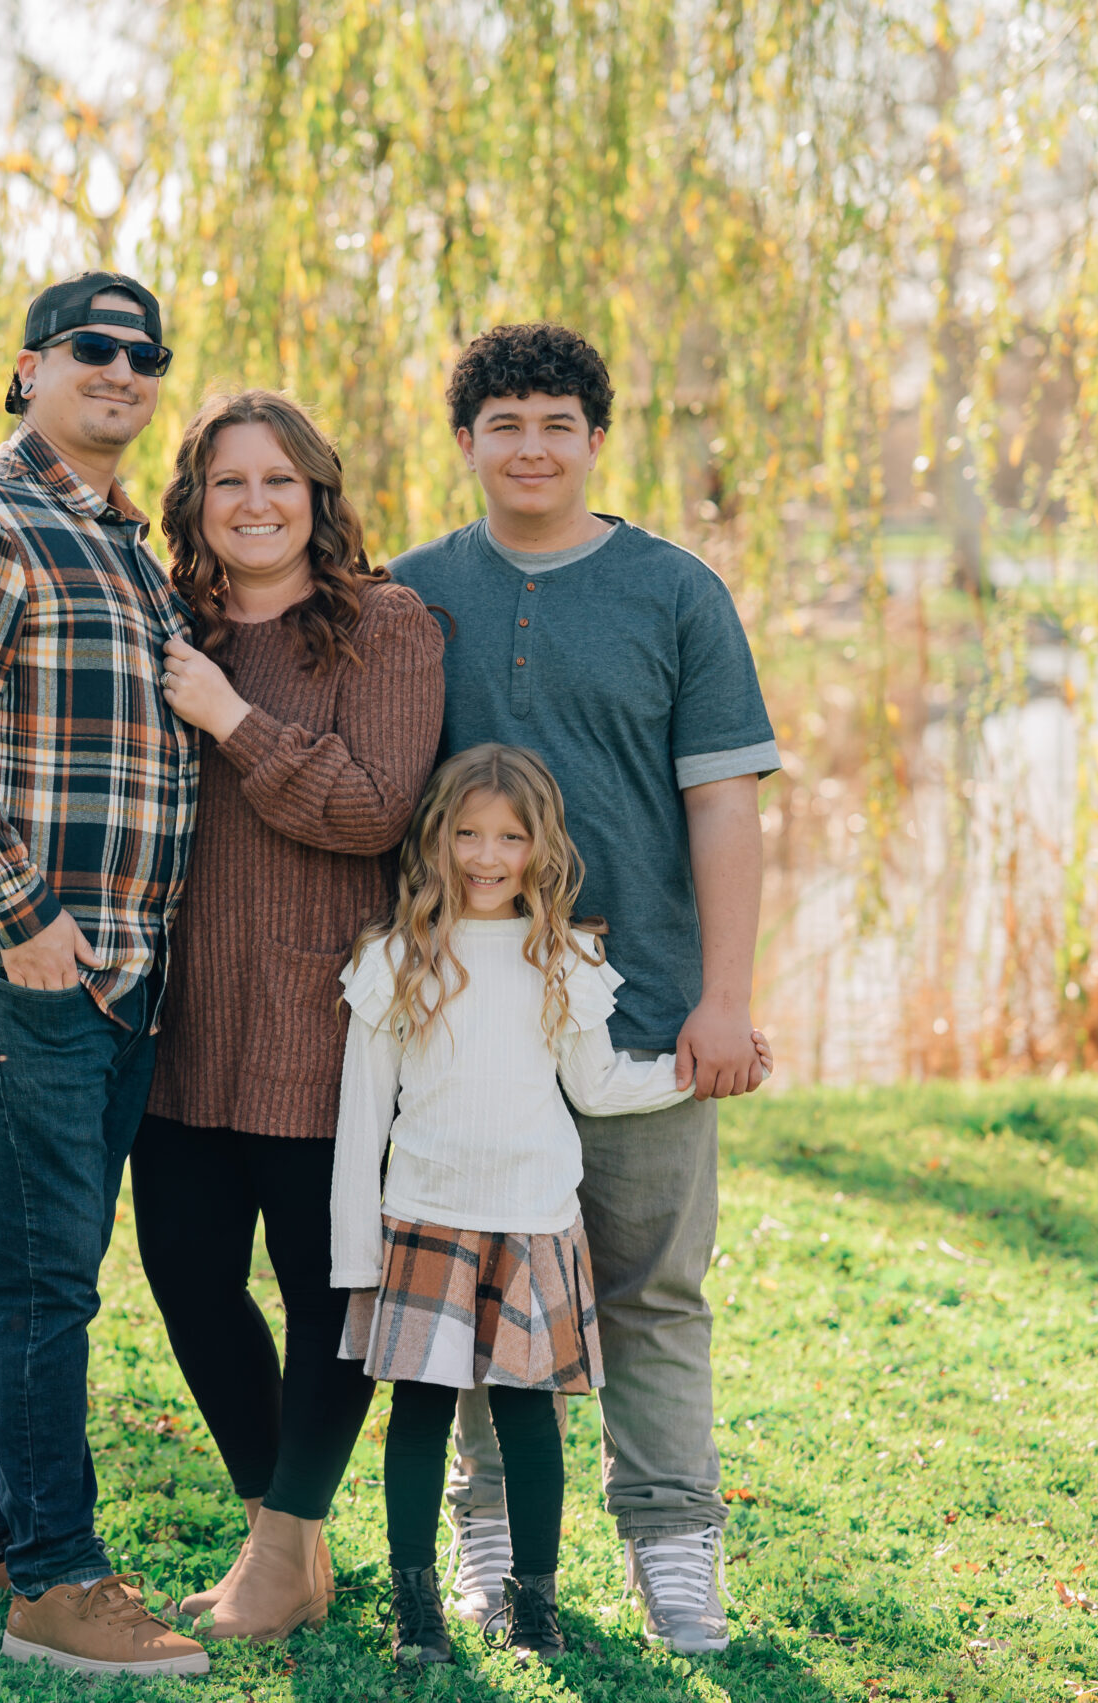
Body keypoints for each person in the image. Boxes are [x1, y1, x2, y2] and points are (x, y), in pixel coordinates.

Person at [389, 323, 779, 1654]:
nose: (533, 446)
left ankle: (674, 1550)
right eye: (504, 424)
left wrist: (724, 996)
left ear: (597, 438)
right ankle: (494, 1545)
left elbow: (724, 803)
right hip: (464, 1031)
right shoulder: (413, 595)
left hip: (647, 1006)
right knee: (489, 1278)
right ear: (467, 443)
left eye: (557, 421)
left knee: (655, 1290)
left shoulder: (676, 593)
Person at [0, 271, 209, 1679]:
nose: (122, 369)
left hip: (107, 975)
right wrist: (20, 912)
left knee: (21, 1263)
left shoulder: (125, 541)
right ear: (29, 368)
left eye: (146, 354)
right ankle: (59, 1585)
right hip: (14, 962)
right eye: (92, 348)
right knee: (40, 1287)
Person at [326, 745, 771, 1662]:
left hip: (533, 1217)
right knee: (418, 1412)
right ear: (437, 839)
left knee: (531, 1418)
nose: (487, 856)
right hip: (427, 1217)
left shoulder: (561, 956)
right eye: (467, 834)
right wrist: (354, 1257)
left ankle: (535, 1605)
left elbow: (598, 1083)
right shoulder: (399, 957)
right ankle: (418, 1611)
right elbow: (362, 1116)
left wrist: (694, 1076)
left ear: (541, 849)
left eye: (510, 838)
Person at [132, 390, 443, 1642]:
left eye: (278, 479)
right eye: (226, 482)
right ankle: (285, 1535)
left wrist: (230, 718)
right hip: (180, 1011)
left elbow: (370, 809)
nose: (254, 502)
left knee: (325, 1294)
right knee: (189, 1277)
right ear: (194, 506)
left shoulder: (386, 626)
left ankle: (276, 1556)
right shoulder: (171, 622)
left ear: (317, 491)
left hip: (323, 1015)